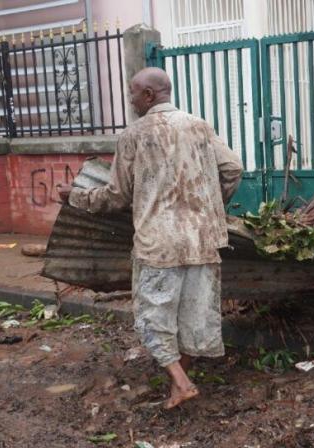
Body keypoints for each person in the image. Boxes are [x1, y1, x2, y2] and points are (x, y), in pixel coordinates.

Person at [58, 67, 243, 409]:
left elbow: (115, 196)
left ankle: (182, 382)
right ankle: (179, 384)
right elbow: (233, 169)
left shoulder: (134, 135)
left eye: (132, 94)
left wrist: (75, 196)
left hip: (158, 245)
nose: (130, 100)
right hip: (202, 240)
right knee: (193, 317)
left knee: (153, 317)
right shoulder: (200, 126)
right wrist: (211, 208)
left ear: (149, 95)